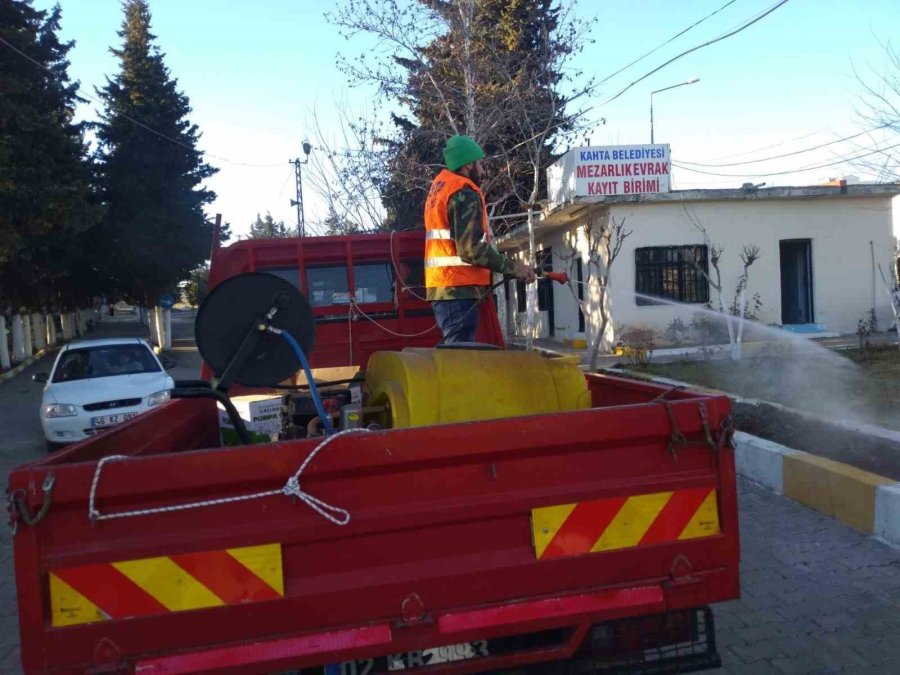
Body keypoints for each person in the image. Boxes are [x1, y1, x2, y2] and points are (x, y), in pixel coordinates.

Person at [424, 135, 535, 343]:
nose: (483, 170)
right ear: (468, 165)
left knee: (457, 353)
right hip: (457, 287)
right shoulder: (462, 192)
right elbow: (471, 249)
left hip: (446, 286)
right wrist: (515, 268)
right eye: (480, 164)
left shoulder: (440, 188)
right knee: (461, 359)